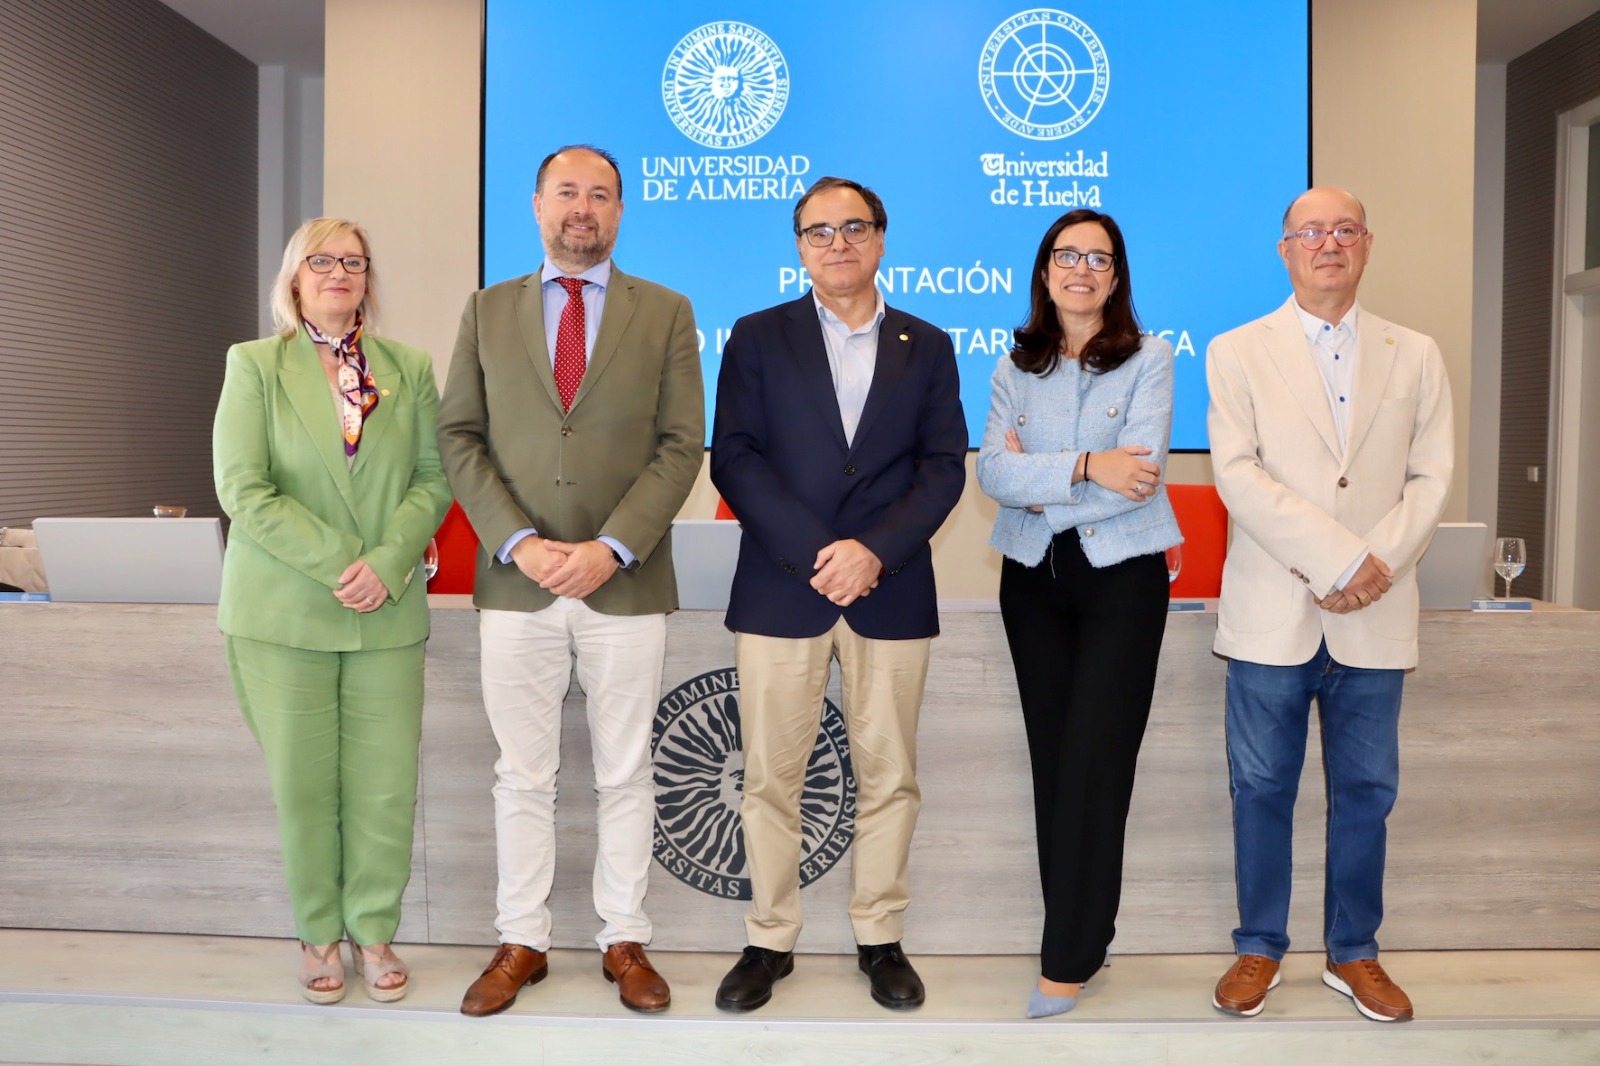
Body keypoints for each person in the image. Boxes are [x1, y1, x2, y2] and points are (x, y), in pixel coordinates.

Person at [437, 144, 704, 1017]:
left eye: (600, 194)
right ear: (537, 205)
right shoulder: (486, 310)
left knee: (627, 774)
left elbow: (679, 445)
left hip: (623, 586)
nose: (582, 208)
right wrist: (516, 541)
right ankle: (523, 940)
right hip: (518, 586)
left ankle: (624, 939)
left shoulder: (665, 312)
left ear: (620, 212)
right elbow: (460, 437)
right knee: (523, 775)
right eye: (566, 193)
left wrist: (612, 547)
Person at [709, 176, 966, 1013]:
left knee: (889, 774)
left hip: (890, 590)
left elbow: (941, 468)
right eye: (819, 232)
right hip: (785, 588)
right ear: (799, 248)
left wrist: (875, 552)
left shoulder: (926, 345)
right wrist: (826, 553)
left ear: (882, 239)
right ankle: (769, 940)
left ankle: (879, 936)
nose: (838, 244)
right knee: (770, 778)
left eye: (854, 228)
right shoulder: (756, 336)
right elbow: (735, 458)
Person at [1206, 187, 1453, 1022]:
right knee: (1262, 786)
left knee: (1367, 791)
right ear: (1285, 250)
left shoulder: (1414, 352)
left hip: (1376, 611)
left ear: (1367, 245)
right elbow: (1238, 476)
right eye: (1311, 232)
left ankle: (1354, 953)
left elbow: (1431, 477)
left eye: (1344, 230)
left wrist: (1373, 564)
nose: (1328, 244)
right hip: (1274, 608)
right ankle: (1258, 949)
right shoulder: (1238, 350)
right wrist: (1339, 559)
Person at [213, 217, 453, 1004]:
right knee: (306, 786)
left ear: (368, 279)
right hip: (285, 610)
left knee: (385, 786)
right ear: (293, 276)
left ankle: (373, 929)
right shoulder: (254, 364)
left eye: (353, 261)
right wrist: (340, 562)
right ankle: (319, 932)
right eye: (322, 260)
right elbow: (243, 488)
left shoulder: (409, 367)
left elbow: (433, 478)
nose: (339, 272)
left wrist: (385, 564)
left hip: (386, 609)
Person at [975, 209, 1181, 1018]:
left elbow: (1145, 473)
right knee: (1054, 764)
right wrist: (1091, 463)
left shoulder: (1150, 359)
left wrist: (1046, 477)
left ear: (1117, 275)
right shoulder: (1012, 366)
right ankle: (1084, 936)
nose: (1082, 269)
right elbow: (992, 472)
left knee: (1097, 764)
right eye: (1068, 256)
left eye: (1100, 258)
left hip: (1121, 577)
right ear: (1046, 270)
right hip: (1030, 581)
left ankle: (1064, 959)